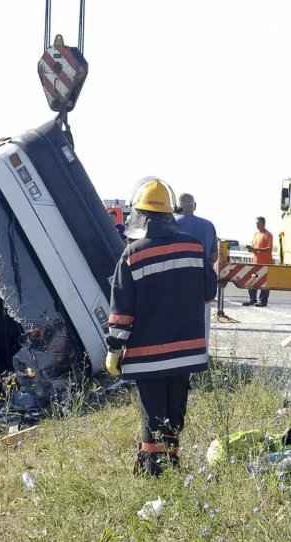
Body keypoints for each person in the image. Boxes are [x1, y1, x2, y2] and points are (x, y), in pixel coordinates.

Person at [106, 177, 218, 477]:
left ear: (139, 216)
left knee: (152, 413)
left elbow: (121, 313)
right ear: (170, 213)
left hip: (147, 354)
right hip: (186, 353)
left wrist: (114, 350)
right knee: (174, 411)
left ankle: (153, 471)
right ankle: (172, 463)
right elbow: (210, 293)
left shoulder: (131, 256)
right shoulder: (194, 248)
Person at [174, 192, 219, 343]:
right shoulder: (208, 225)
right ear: (195, 206)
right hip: (201, 280)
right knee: (201, 325)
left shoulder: (170, 224)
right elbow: (214, 257)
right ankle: (201, 357)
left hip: (176, 278)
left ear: (177, 207)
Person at [242, 216, 273, 307]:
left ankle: (263, 301)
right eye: (256, 223)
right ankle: (252, 299)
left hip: (265, 263)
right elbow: (254, 247)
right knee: (252, 281)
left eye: (258, 223)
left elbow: (269, 248)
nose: (257, 225)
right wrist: (251, 249)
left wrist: (257, 249)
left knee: (264, 283)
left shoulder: (268, 235)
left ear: (263, 224)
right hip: (255, 262)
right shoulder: (256, 234)